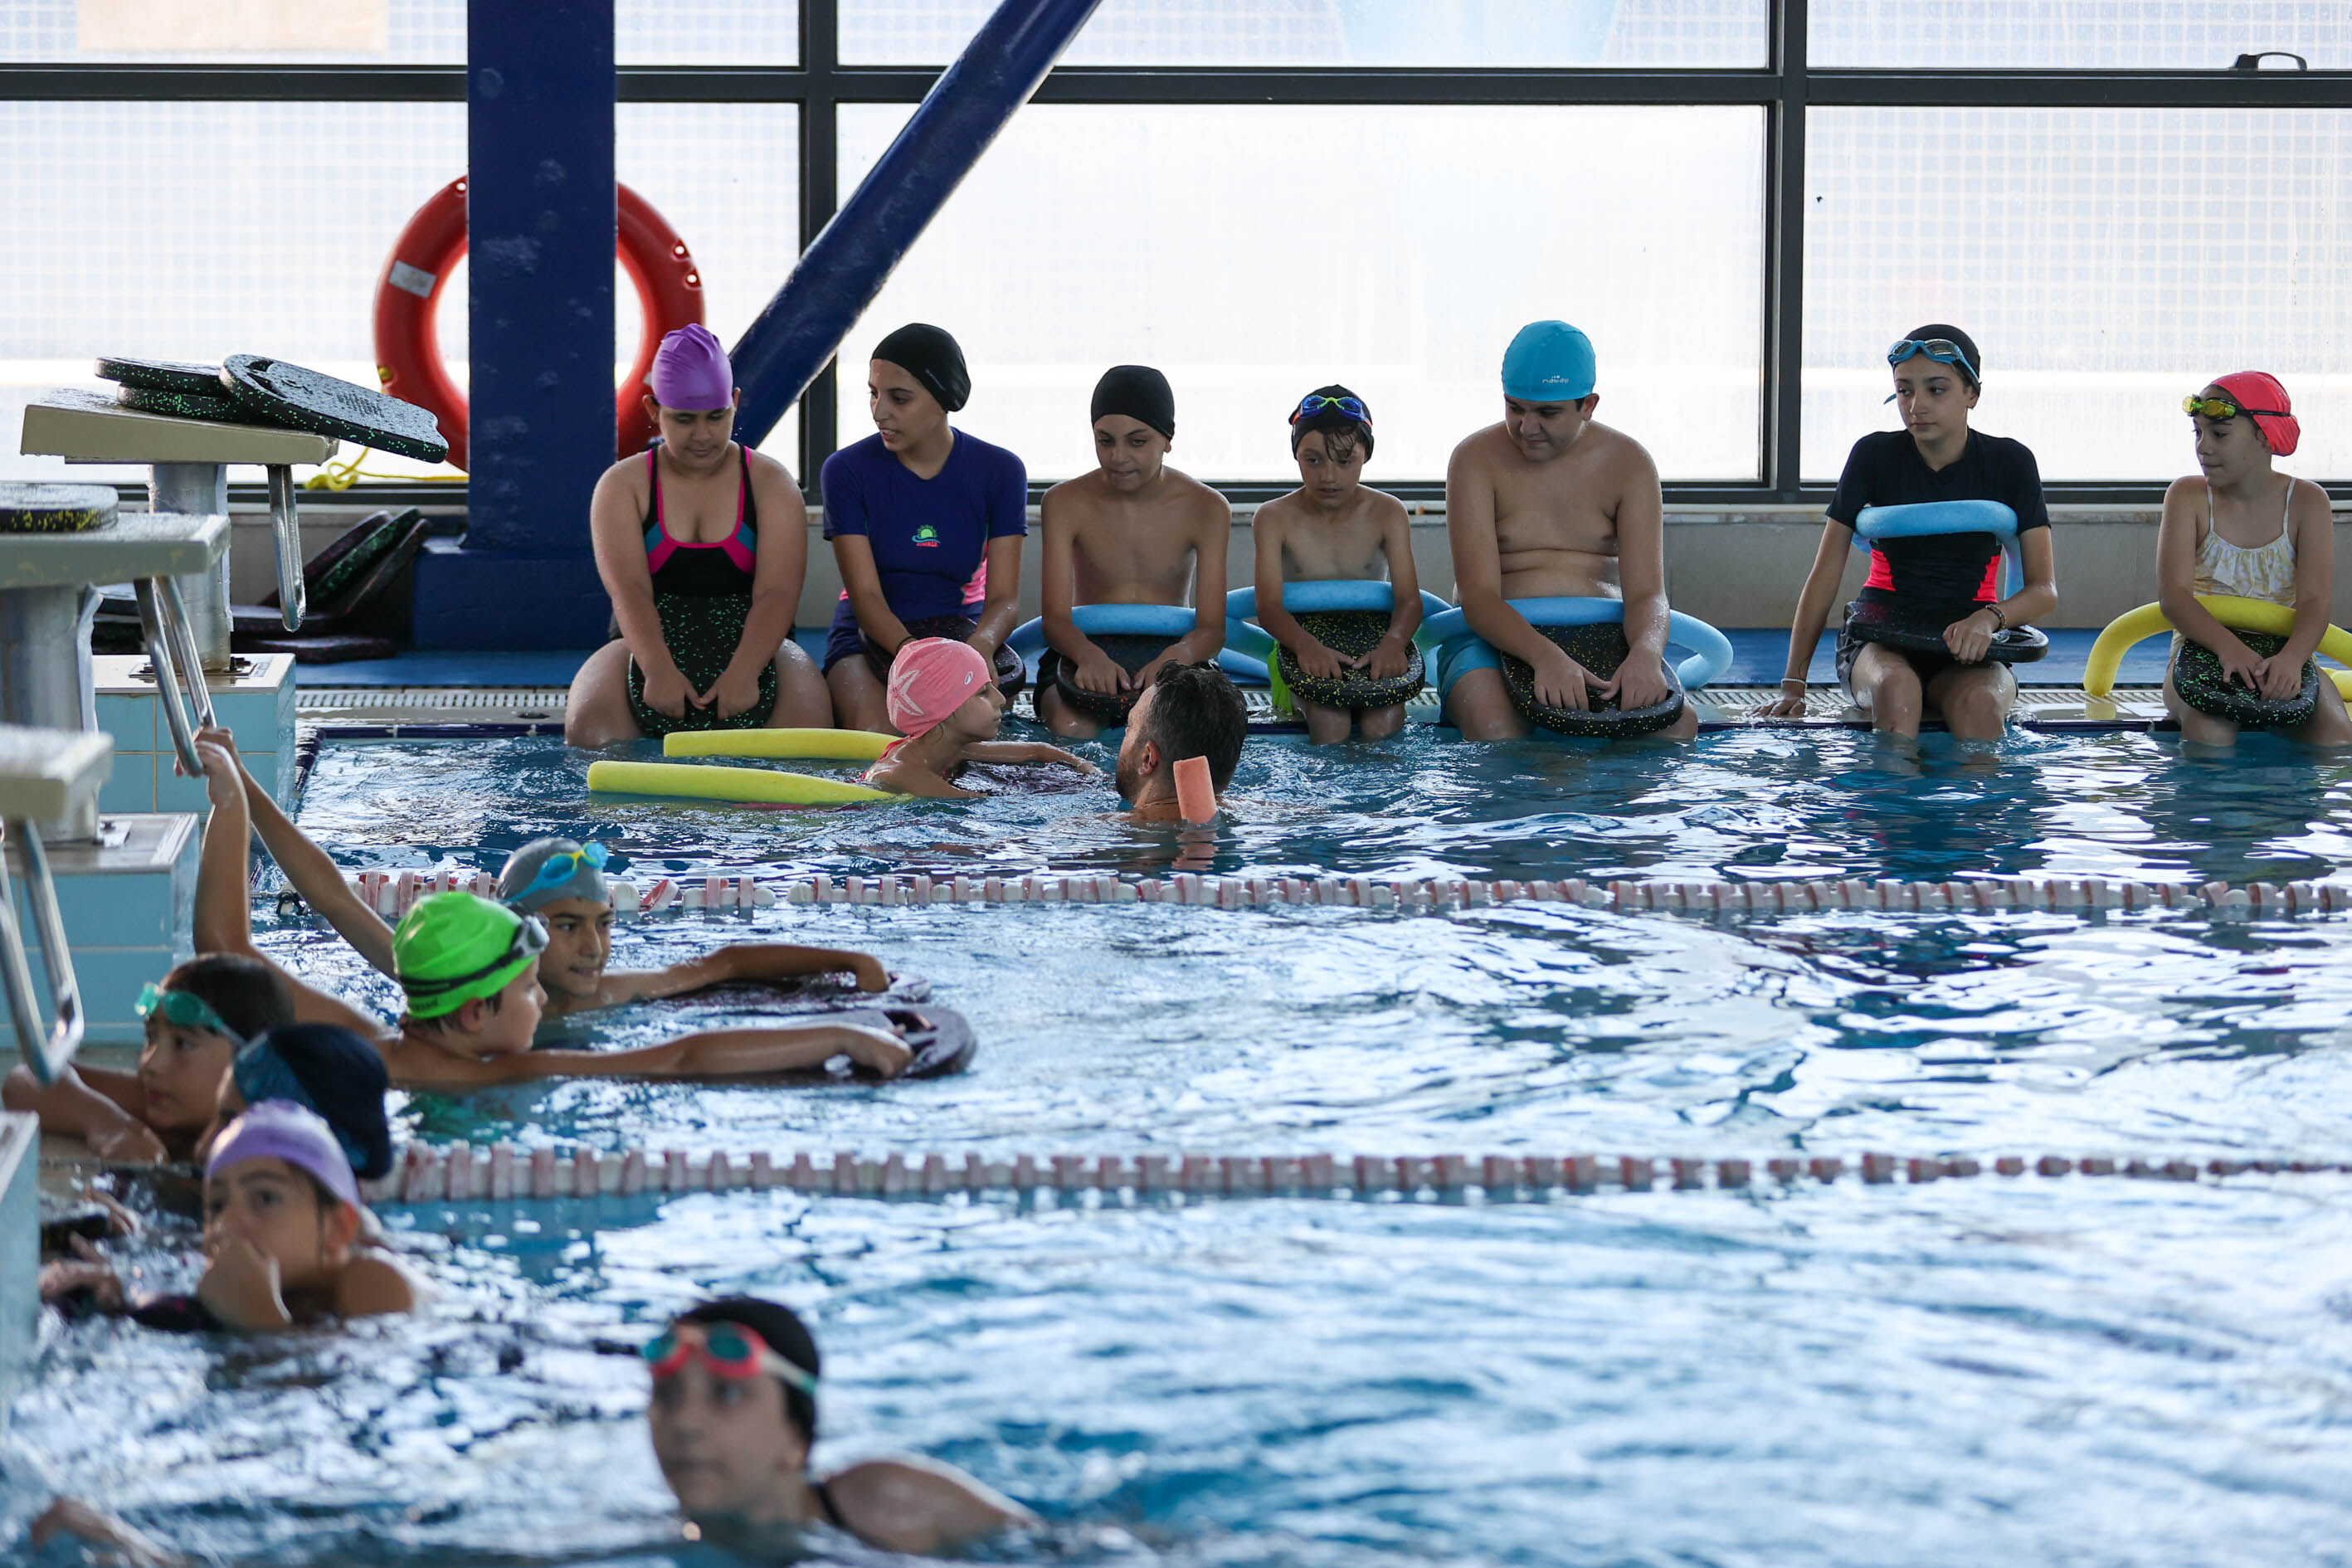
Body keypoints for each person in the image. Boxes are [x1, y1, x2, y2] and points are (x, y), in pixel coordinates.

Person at [185, 739, 926, 1090]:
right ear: (479, 1008)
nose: (586, 950)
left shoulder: (376, 1034)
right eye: (556, 935)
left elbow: (227, 949)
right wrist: (833, 1034)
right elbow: (677, 1057)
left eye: (600, 924)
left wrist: (235, 799)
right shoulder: (497, 1066)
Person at [1757, 325, 2059, 739]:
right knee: (1898, 693)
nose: (1916, 405)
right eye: (1904, 391)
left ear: (1972, 394)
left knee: (1982, 709)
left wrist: (1989, 619)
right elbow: (1824, 575)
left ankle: (1981, 807)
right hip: (1879, 642)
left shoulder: (2011, 463)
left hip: (1968, 642)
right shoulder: (1873, 456)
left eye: (1936, 390)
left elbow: (2044, 589)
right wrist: (1794, 683)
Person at [567, 324, 830, 746]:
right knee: (591, 733)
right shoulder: (623, 486)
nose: (703, 435)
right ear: (654, 410)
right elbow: (630, 591)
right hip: (644, 643)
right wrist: (656, 667)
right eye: (684, 419)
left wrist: (745, 671)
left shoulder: (770, 483)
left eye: (717, 416)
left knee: (809, 738)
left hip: (760, 645)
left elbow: (777, 593)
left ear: (735, 403)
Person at [1441, 321, 1697, 740]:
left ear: (1589, 405)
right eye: (1515, 408)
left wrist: (1646, 653)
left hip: (1601, 638)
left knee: (1676, 730)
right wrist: (1546, 657)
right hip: (1492, 639)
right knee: (1495, 728)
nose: (1526, 427)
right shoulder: (1475, 460)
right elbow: (1478, 596)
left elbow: (1648, 594)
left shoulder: (1629, 464)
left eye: (1547, 413)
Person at [645, 1296, 1035, 1556]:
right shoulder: (646, 1543)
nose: (685, 1423)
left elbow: (1061, 1550)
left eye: (727, 1395)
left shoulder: (883, 1502)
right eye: (667, 1396)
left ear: (796, 1435)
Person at [39, 1099, 419, 1332]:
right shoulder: (288, 1273)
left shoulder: (375, 1282)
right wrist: (125, 1287)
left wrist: (260, 1322)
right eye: (216, 1206)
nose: (227, 1224)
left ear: (337, 1229)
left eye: (265, 1198)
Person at [822, 324, 1029, 733]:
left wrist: (980, 648)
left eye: (899, 398)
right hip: (870, 634)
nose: (880, 411)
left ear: (943, 400)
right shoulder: (846, 471)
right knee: (881, 741)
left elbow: (1004, 599)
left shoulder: (1000, 471)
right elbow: (865, 595)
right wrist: (912, 656)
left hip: (963, 631)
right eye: (873, 393)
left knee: (969, 745)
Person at [1035, 365, 1231, 738]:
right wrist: (1087, 655)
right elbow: (1055, 620)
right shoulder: (1063, 502)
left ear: (1167, 439)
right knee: (1070, 725)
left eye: (1137, 442)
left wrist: (1178, 658)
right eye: (1104, 440)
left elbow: (1211, 629)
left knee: (1183, 733)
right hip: (1084, 646)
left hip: (1174, 649)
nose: (1118, 457)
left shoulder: (1206, 508)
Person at [2158, 373, 2351, 747]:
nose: (2203, 447)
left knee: (2337, 740)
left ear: (2264, 436)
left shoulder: (2307, 502)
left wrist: (2293, 659)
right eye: (2197, 433)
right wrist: (2229, 648)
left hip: (2282, 655)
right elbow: (2174, 597)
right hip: (2201, 651)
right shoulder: (2188, 497)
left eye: (2220, 434)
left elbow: (2315, 600)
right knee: (2208, 734)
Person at [2, 952, 294, 1164]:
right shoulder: (164, 1099)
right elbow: (29, 1076)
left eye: (183, 1044)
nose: (151, 1065)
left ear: (253, 1063)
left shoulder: (279, 1153)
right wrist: (107, 1123)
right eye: (151, 1038)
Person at [1250, 387, 1423, 743]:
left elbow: (1409, 600)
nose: (1329, 476)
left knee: (1384, 723)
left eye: (1345, 461)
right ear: (1295, 453)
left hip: (1375, 641)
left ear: (1366, 455)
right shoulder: (1273, 518)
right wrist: (1305, 646)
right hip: (1298, 646)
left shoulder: (1388, 513)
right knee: (1331, 722)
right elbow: (1267, 607)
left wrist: (1393, 642)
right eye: (1313, 460)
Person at [862, 638, 1099, 799]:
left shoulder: (951, 748)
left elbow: (1038, 750)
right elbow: (976, 803)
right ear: (943, 709)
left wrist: (1085, 768)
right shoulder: (901, 773)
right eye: (983, 692)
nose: (999, 699)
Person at [1114, 662, 1249, 823]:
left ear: (1148, 759)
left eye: (1130, 726)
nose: (1126, 731)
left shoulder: (1100, 830)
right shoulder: (1270, 812)